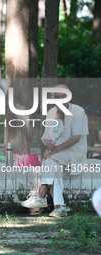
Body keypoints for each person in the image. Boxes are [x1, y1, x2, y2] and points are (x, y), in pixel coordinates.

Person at [21, 84, 88, 217]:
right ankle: (59, 206)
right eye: (56, 97)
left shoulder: (78, 111)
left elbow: (75, 138)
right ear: (52, 98)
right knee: (53, 164)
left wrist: (54, 150)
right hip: (57, 155)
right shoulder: (51, 113)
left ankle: (41, 195)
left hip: (74, 153)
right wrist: (47, 144)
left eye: (63, 96)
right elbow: (46, 137)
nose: (60, 99)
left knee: (50, 159)